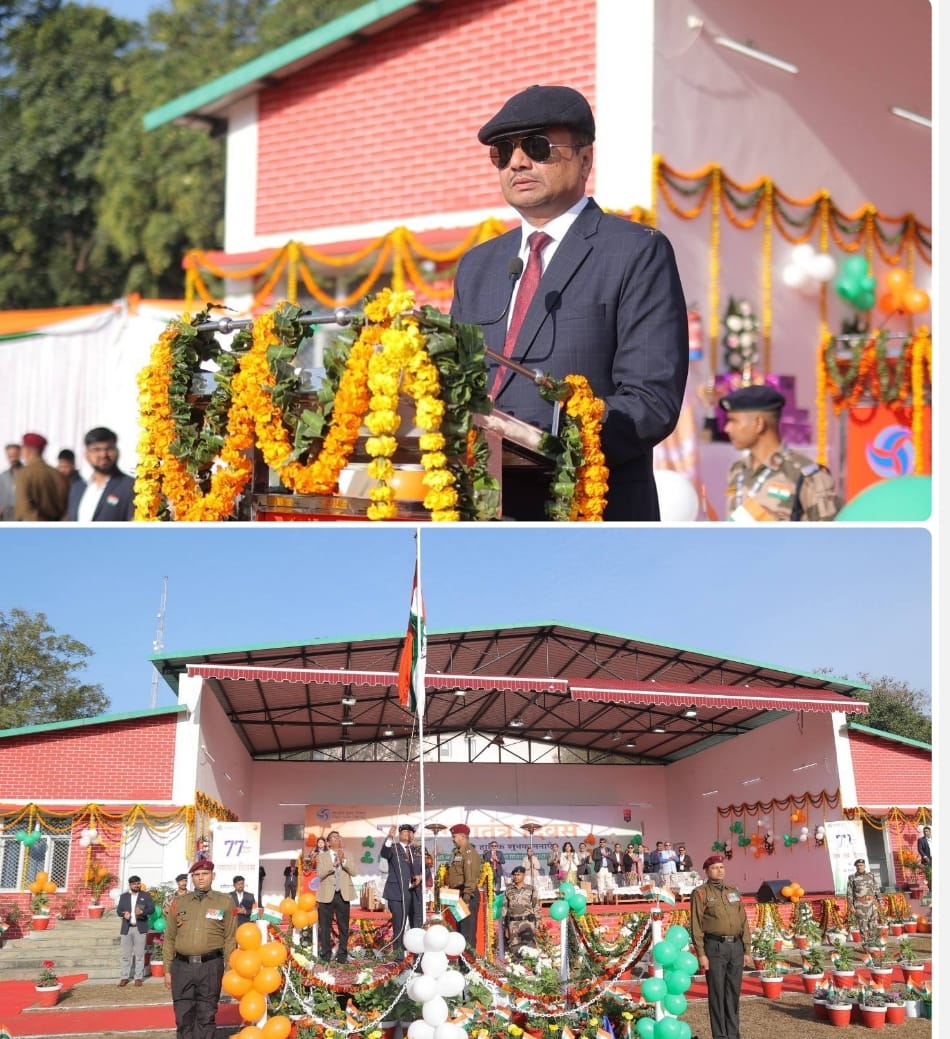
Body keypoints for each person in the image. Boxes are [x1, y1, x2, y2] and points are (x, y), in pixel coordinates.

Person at [451, 84, 688, 521]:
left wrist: (541, 435)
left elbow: (650, 402)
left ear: (585, 160)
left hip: (586, 511)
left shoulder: (635, 251)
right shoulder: (478, 265)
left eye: (537, 147)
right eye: (502, 153)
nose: (517, 162)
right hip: (478, 511)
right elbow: (452, 385)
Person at [720, 385, 840, 521]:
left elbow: (830, 532)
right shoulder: (737, 469)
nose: (727, 428)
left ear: (759, 423)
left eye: (733, 421)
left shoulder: (806, 475)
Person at [162, 858, 237, 1039]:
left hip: (210, 966)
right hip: (182, 967)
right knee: (183, 1015)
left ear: (213, 876)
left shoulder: (225, 902)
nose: (200, 878)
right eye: (196, 875)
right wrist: (167, 970)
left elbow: (230, 938)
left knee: (206, 1014)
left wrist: (229, 969)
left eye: (205, 874)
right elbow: (169, 938)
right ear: (192, 878)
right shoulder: (179, 902)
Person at [689, 854, 752, 1039]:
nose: (719, 870)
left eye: (721, 867)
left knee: (733, 993)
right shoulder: (700, 893)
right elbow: (696, 924)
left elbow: (743, 920)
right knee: (717, 993)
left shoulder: (733, 891)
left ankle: (733, 1034)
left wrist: (747, 949)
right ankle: (721, 1036)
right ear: (707, 871)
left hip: (736, 947)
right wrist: (701, 953)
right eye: (715, 868)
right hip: (715, 947)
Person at [68, 426, 135, 521]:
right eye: (96, 449)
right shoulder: (77, 486)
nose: (103, 455)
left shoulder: (131, 486)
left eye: (109, 449)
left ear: (117, 451)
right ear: (86, 454)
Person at [380, 823, 423, 952]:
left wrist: (421, 876)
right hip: (397, 893)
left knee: (417, 925)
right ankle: (398, 957)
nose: (408, 834)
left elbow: (426, 868)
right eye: (404, 832)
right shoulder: (393, 848)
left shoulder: (417, 850)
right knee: (399, 925)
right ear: (399, 835)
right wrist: (389, 837)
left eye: (410, 832)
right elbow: (384, 853)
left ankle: (416, 955)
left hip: (414, 893)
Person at [316, 830, 355, 963]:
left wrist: (343, 861)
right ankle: (326, 954)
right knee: (325, 926)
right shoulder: (322, 856)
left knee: (343, 927)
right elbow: (320, 874)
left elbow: (354, 872)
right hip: (326, 895)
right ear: (328, 843)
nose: (337, 839)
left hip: (343, 895)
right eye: (334, 838)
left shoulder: (347, 855)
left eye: (338, 837)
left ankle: (342, 955)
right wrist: (333, 865)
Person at [443, 823, 482, 950]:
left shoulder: (469, 853)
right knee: (460, 931)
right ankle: (462, 960)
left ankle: (469, 961)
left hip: (466, 895)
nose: (452, 839)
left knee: (467, 932)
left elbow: (470, 878)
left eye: (454, 836)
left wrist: (466, 899)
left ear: (462, 836)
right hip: (456, 894)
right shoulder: (457, 853)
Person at [13, 432, 67, 521]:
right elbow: (65, 508)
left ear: (27, 450)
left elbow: (24, 507)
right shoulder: (58, 474)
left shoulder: (24, 474)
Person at [116, 875, 155, 987]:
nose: (136, 885)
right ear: (130, 885)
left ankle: (138, 977)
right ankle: (124, 977)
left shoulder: (145, 895)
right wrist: (123, 914)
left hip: (140, 928)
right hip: (127, 928)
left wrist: (142, 912)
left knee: (139, 954)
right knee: (126, 955)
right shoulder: (124, 897)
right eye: (134, 884)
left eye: (138, 883)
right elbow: (118, 911)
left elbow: (151, 909)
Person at [503, 865, 539, 958]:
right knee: (515, 950)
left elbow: (536, 908)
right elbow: (505, 909)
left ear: (524, 875)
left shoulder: (531, 889)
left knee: (529, 949)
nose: (516, 877)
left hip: (527, 923)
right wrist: (505, 927)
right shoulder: (508, 890)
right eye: (514, 875)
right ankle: (517, 965)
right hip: (513, 924)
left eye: (518, 874)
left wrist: (536, 926)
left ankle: (530, 966)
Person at [846, 857, 882, 946]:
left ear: (865, 866)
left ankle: (874, 944)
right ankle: (866, 945)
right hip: (860, 905)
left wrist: (880, 901)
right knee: (863, 926)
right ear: (855, 867)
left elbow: (876, 889)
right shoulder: (852, 877)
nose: (859, 867)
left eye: (861, 865)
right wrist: (851, 905)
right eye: (858, 865)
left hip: (872, 904)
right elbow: (849, 893)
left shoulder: (871, 875)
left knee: (873, 924)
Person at [0, 443, 22, 521]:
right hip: (7, 518)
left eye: (15, 455)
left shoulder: (28, 474)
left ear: (20, 454)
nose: (13, 459)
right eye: (10, 456)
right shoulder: (3, 476)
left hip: (24, 517)